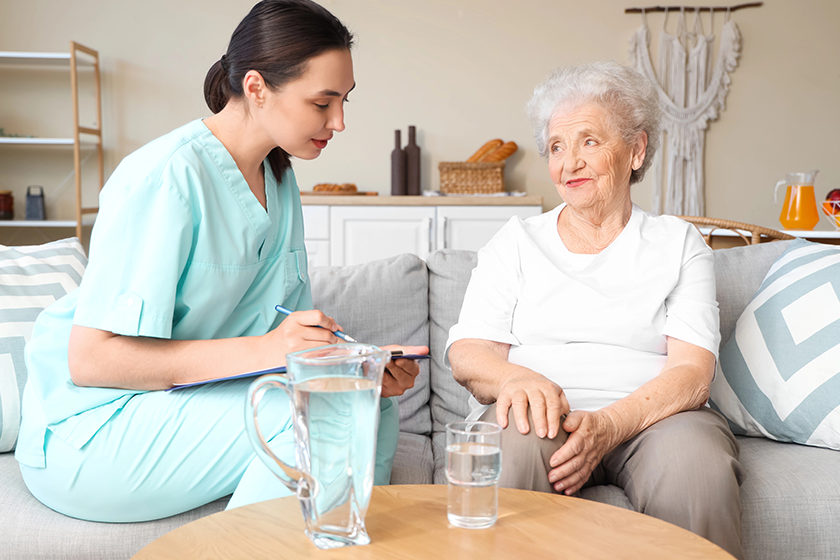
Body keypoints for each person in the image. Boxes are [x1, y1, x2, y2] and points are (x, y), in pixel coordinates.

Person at [16, 0, 426, 522]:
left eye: (344, 101)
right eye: (323, 103)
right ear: (256, 88)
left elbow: (284, 338)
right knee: (324, 408)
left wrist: (352, 363)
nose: (339, 121)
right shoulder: (165, 177)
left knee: (373, 404)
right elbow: (92, 360)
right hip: (93, 428)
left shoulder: (279, 179)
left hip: (185, 406)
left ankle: (341, 542)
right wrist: (268, 350)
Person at [446, 61, 745, 559]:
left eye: (589, 141)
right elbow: (469, 353)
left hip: (655, 420)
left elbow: (693, 373)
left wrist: (609, 426)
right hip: (539, 416)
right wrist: (516, 380)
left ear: (636, 149)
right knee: (510, 449)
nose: (569, 163)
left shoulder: (677, 243)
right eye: (557, 148)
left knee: (697, 468)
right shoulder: (516, 242)